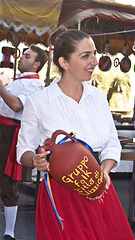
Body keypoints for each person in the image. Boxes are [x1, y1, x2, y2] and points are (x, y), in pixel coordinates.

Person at [16, 27, 134, 240]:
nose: (95, 61)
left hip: (100, 189)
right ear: (64, 63)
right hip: (61, 199)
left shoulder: (98, 98)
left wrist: (104, 173)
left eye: (95, 53)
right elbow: (22, 150)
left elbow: (111, 143)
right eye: (85, 55)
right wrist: (35, 160)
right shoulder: (39, 102)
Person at [0, 44, 47, 240]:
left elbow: (16, 105)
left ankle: (9, 233)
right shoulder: (14, 82)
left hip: (10, 133)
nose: (21, 58)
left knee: (7, 183)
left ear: (36, 64)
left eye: (27, 56)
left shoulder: (36, 86)